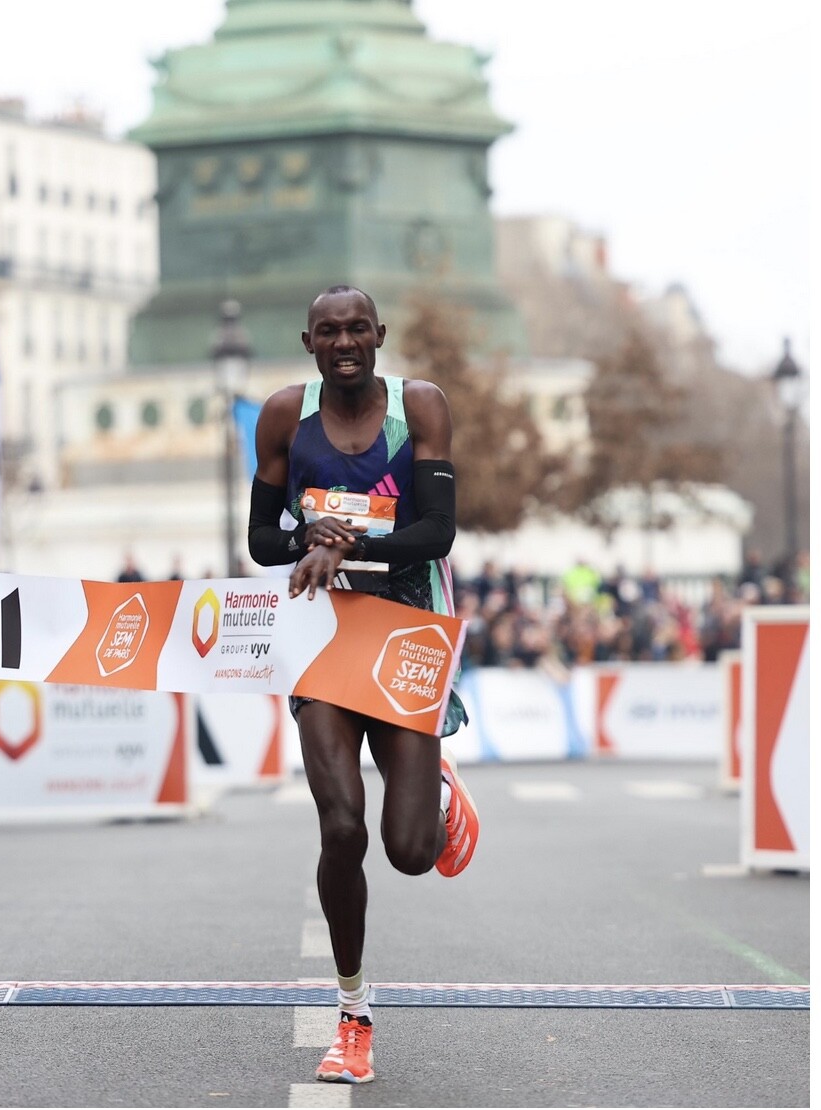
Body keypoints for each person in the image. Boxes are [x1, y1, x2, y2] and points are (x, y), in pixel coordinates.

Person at [246, 286, 478, 1086]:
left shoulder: (421, 407)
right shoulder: (285, 416)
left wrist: (349, 542)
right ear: (308, 341)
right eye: (328, 331)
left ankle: (438, 790)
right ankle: (352, 1014)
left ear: (379, 335)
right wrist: (305, 539)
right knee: (341, 827)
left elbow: (437, 532)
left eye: (356, 329)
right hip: (322, 637)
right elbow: (262, 539)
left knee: (409, 853)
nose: (343, 342)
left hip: (407, 633)